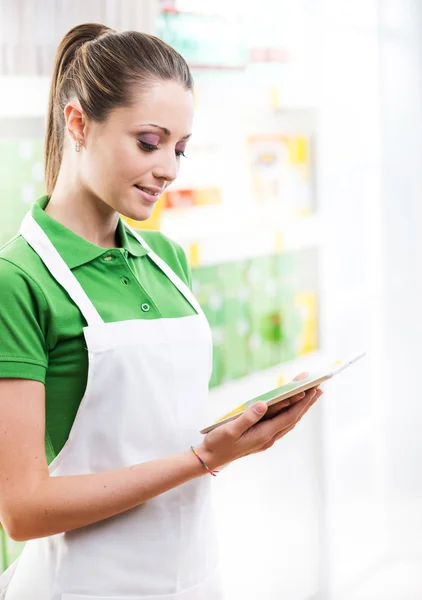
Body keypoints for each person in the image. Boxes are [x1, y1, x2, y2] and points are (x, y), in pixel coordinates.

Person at [0, 23, 321, 600]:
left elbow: (151, 425)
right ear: (77, 123)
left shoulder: (168, 259)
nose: (170, 169)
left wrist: (239, 427)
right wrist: (203, 457)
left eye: (180, 147)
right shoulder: (18, 281)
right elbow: (23, 511)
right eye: (149, 142)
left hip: (193, 577)